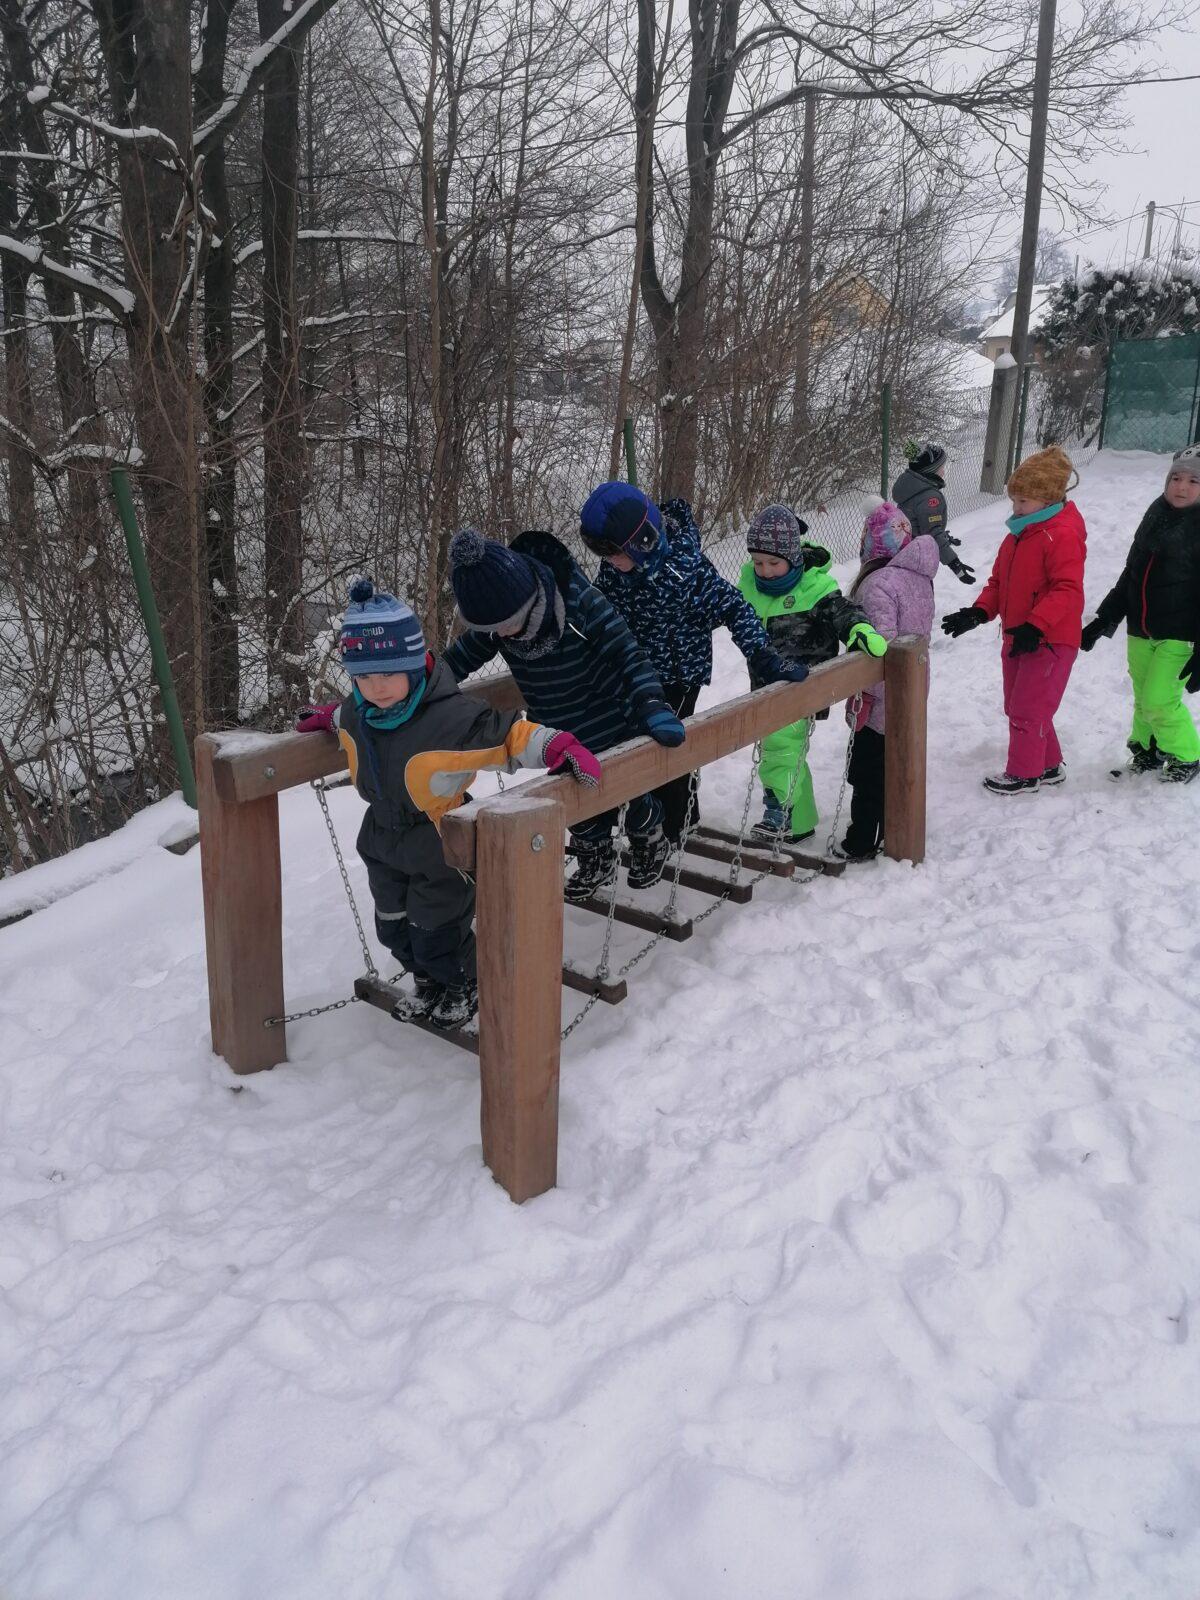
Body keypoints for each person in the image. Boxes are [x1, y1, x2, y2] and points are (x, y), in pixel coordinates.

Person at [294, 579, 601, 1029]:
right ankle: (428, 983)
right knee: (394, 927)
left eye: (387, 675)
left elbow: (508, 736)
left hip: (439, 841)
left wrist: (558, 745)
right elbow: (344, 715)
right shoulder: (360, 710)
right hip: (380, 837)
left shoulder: (449, 718)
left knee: (436, 930)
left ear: (415, 665)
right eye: (363, 677)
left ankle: (463, 983)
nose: (376, 688)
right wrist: (324, 716)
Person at [443, 525, 686, 903]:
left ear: (527, 600)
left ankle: (649, 837)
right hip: (559, 727)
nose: (502, 634)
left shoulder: (579, 604)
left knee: (629, 790)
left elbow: (628, 654)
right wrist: (417, 690)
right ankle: (596, 855)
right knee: (574, 794)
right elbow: (457, 660)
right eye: (491, 629)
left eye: (506, 625)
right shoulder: (496, 622)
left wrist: (651, 703)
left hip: (610, 714)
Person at [582, 482, 808, 845]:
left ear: (642, 542)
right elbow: (597, 612)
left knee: (667, 747)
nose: (609, 562)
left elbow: (734, 607)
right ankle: (651, 824)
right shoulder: (615, 572)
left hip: (679, 672)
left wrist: (763, 655)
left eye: (613, 553)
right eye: (603, 554)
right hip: (633, 671)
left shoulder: (686, 572)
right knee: (631, 742)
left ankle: (677, 825)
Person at [942, 445, 1086, 794]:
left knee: (1027, 707)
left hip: (1049, 639)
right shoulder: (1018, 536)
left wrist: (1036, 625)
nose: (1015, 508)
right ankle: (1049, 765)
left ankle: (1025, 773)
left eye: (1024, 501)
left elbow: (1067, 589)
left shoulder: (1060, 534)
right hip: (1018, 637)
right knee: (1020, 705)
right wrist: (978, 612)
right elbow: (999, 584)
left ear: (1049, 499)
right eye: (1015, 500)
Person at [738, 505, 887, 840]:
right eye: (758, 562)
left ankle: (783, 812)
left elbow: (842, 611)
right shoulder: (750, 585)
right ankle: (800, 818)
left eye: (774, 563)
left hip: (804, 685)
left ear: (793, 557)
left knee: (779, 746)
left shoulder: (813, 587)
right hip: (765, 685)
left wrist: (860, 630)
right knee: (782, 749)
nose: (766, 571)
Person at [1078, 446, 1200, 784]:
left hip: (1181, 633)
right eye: (1176, 478)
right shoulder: (1155, 514)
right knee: (1144, 695)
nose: (1182, 486)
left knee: (1160, 700)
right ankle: (1147, 749)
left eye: (1193, 481)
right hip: (1141, 630)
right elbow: (1132, 573)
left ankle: (1187, 754)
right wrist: (1105, 620)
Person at [837, 501, 939, 861]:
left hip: (880, 697)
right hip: (913, 685)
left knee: (868, 774)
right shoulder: (919, 576)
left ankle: (863, 838)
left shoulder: (878, 584)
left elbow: (879, 649)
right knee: (897, 762)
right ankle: (894, 826)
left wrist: (864, 689)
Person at [892, 441, 976, 586]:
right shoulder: (930, 497)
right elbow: (932, 533)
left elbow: (916, 522)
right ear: (930, 470)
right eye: (941, 468)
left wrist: (945, 537)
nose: (943, 472)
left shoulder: (910, 487)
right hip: (918, 560)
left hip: (903, 554)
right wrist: (954, 564)